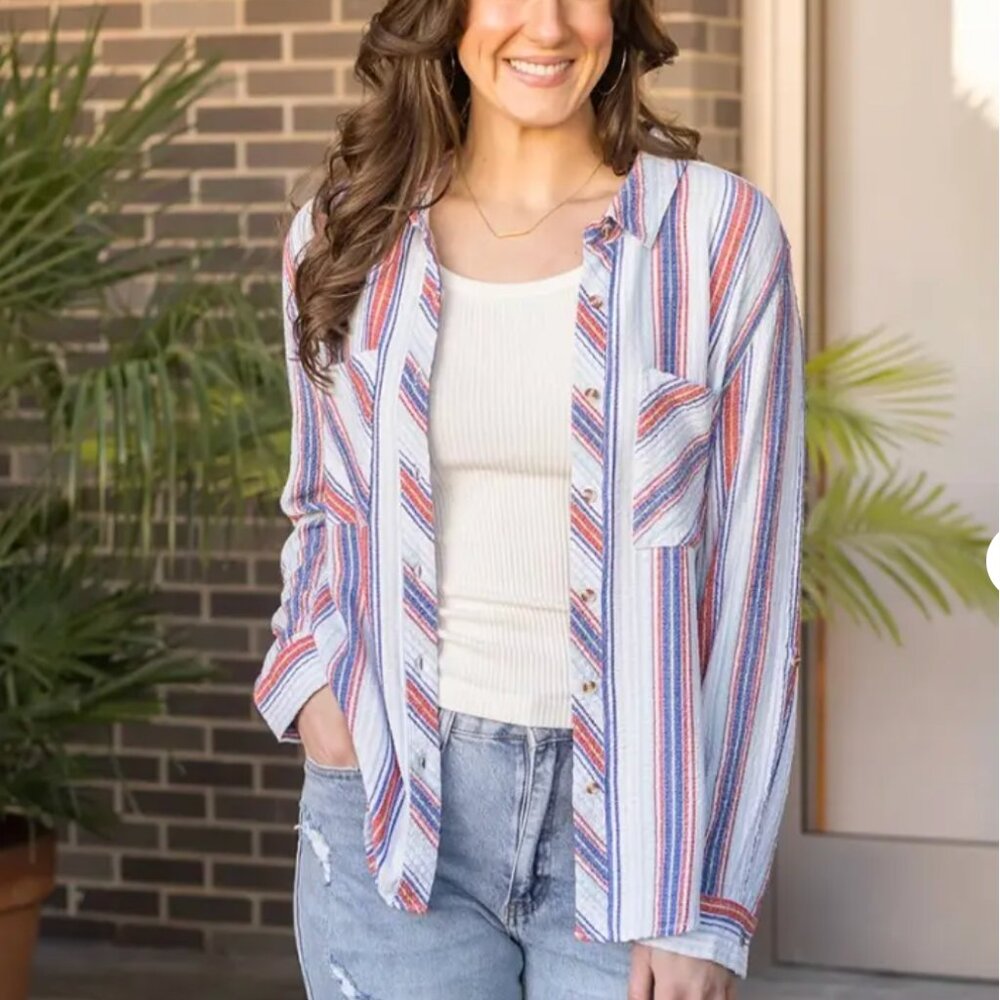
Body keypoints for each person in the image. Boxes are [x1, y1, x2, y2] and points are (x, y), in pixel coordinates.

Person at [253, 1, 806, 998]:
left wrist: (708, 908)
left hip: (636, 841)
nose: (545, 25)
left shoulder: (717, 238)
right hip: (392, 804)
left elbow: (753, 592)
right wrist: (314, 694)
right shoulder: (342, 236)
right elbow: (320, 507)